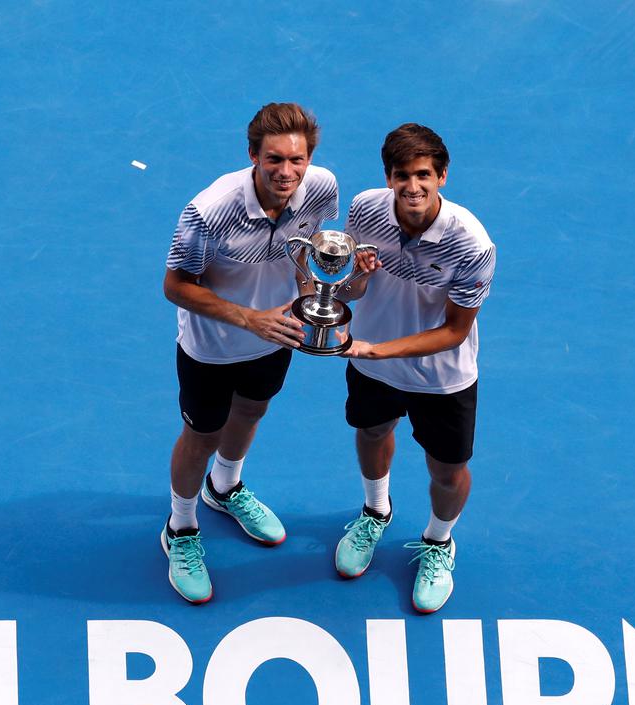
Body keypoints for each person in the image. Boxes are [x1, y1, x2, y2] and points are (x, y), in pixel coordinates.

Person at [161, 103, 339, 604]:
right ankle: (181, 526)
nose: (287, 173)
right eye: (274, 160)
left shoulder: (322, 187)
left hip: (277, 333)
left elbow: (306, 252)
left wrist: (308, 298)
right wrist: (248, 317)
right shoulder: (208, 211)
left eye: (297, 160)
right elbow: (176, 286)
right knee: (202, 435)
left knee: (252, 411)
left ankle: (225, 487)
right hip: (212, 346)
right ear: (252, 156)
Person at [335, 123, 496, 613]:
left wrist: (379, 350)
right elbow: (350, 289)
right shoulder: (365, 209)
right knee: (371, 431)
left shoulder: (472, 244)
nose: (413, 186)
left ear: (442, 176)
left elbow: (453, 330)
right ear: (388, 177)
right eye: (402, 175)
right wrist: (357, 280)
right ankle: (375, 511)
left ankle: (438, 542)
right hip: (372, 360)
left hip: (440, 377)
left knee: (448, 471)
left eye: (424, 174)